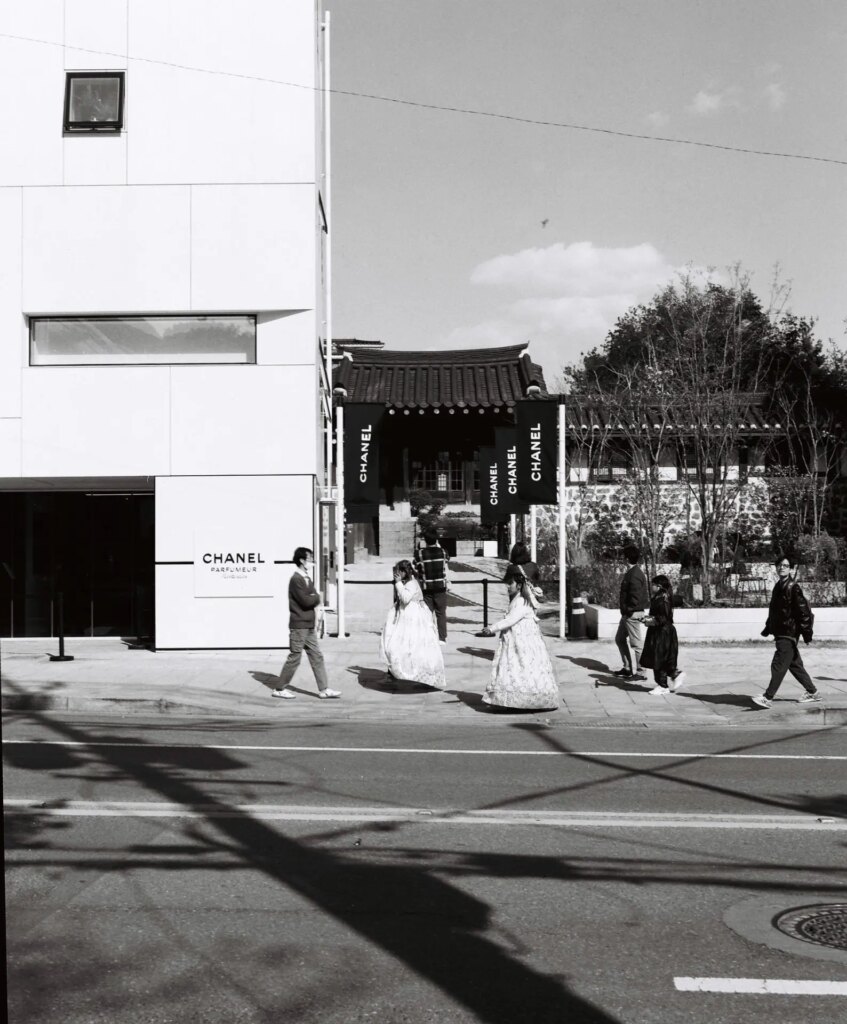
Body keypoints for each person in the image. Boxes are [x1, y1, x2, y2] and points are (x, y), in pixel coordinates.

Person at [478, 564, 559, 710]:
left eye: (511, 583)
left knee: (523, 665)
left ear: (520, 585)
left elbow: (510, 620)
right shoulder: (517, 599)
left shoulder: (522, 601)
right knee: (514, 666)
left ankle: (523, 698)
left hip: (523, 642)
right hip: (515, 639)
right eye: (507, 583)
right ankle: (511, 698)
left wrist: (492, 629)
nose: (508, 586)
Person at [272, 547, 341, 700]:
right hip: (299, 625)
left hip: (309, 624)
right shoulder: (296, 579)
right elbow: (306, 601)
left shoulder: (306, 578)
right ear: (302, 560)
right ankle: (279, 688)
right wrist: (315, 597)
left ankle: (324, 689)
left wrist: (314, 597)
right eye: (309, 558)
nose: (312, 561)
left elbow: (313, 597)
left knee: (316, 656)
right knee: (295, 657)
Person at [753, 556, 820, 709]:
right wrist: (768, 627)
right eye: (779, 565)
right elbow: (775, 611)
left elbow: (803, 612)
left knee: (778, 664)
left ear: (790, 569)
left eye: (785, 565)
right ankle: (813, 692)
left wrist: (807, 634)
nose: (782, 568)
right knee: (794, 664)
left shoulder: (792, 587)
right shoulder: (779, 586)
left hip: (788, 633)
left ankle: (767, 697)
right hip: (781, 631)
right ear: (776, 568)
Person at [380, 560, 446, 689]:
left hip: (412, 619)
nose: (397, 574)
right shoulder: (409, 582)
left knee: (410, 647)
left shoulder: (411, 583)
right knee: (397, 645)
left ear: (404, 572)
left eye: (399, 571)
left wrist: (398, 583)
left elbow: (405, 598)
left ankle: (412, 674)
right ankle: (394, 673)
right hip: (405, 618)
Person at [639, 575, 686, 695]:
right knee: (662, 658)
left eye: (653, 585)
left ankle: (663, 685)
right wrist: (647, 618)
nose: (651, 587)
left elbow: (662, 618)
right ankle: (673, 676)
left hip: (662, 633)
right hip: (660, 631)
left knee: (658, 658)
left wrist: (648, 621)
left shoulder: (662, 599)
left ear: (658, 586)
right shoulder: (660, 597)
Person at [614, 544, 649, 680]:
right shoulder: (635, 572)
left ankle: (641, 672)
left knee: (636, 644)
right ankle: (627, 668)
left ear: (626, 558)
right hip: (629, 613)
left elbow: (635, 596)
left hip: (632, 614)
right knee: (620, 639)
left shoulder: (634, 574)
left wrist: (628, 610)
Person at [414, 530, 450, 644]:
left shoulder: (419, 554)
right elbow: (447, 561)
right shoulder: (443, 552)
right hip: (440, 586)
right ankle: (442, 638)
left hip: (427, 587)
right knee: (441, 613)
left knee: (427, 613)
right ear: (437, 540)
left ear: (425, 541)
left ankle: (429, 636)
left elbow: (416, 566)